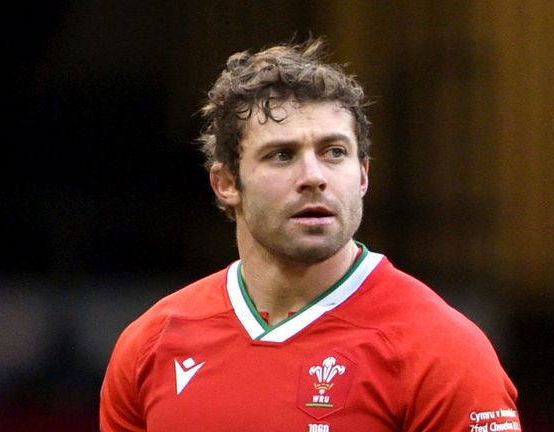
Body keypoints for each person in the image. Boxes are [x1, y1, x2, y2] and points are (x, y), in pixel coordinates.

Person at [100, 37, 521, 432]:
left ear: (362, 175)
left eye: (334, 152)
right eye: (282, 155)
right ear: (226, 183)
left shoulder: (443, 352)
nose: (314, 177)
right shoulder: (151, 345)